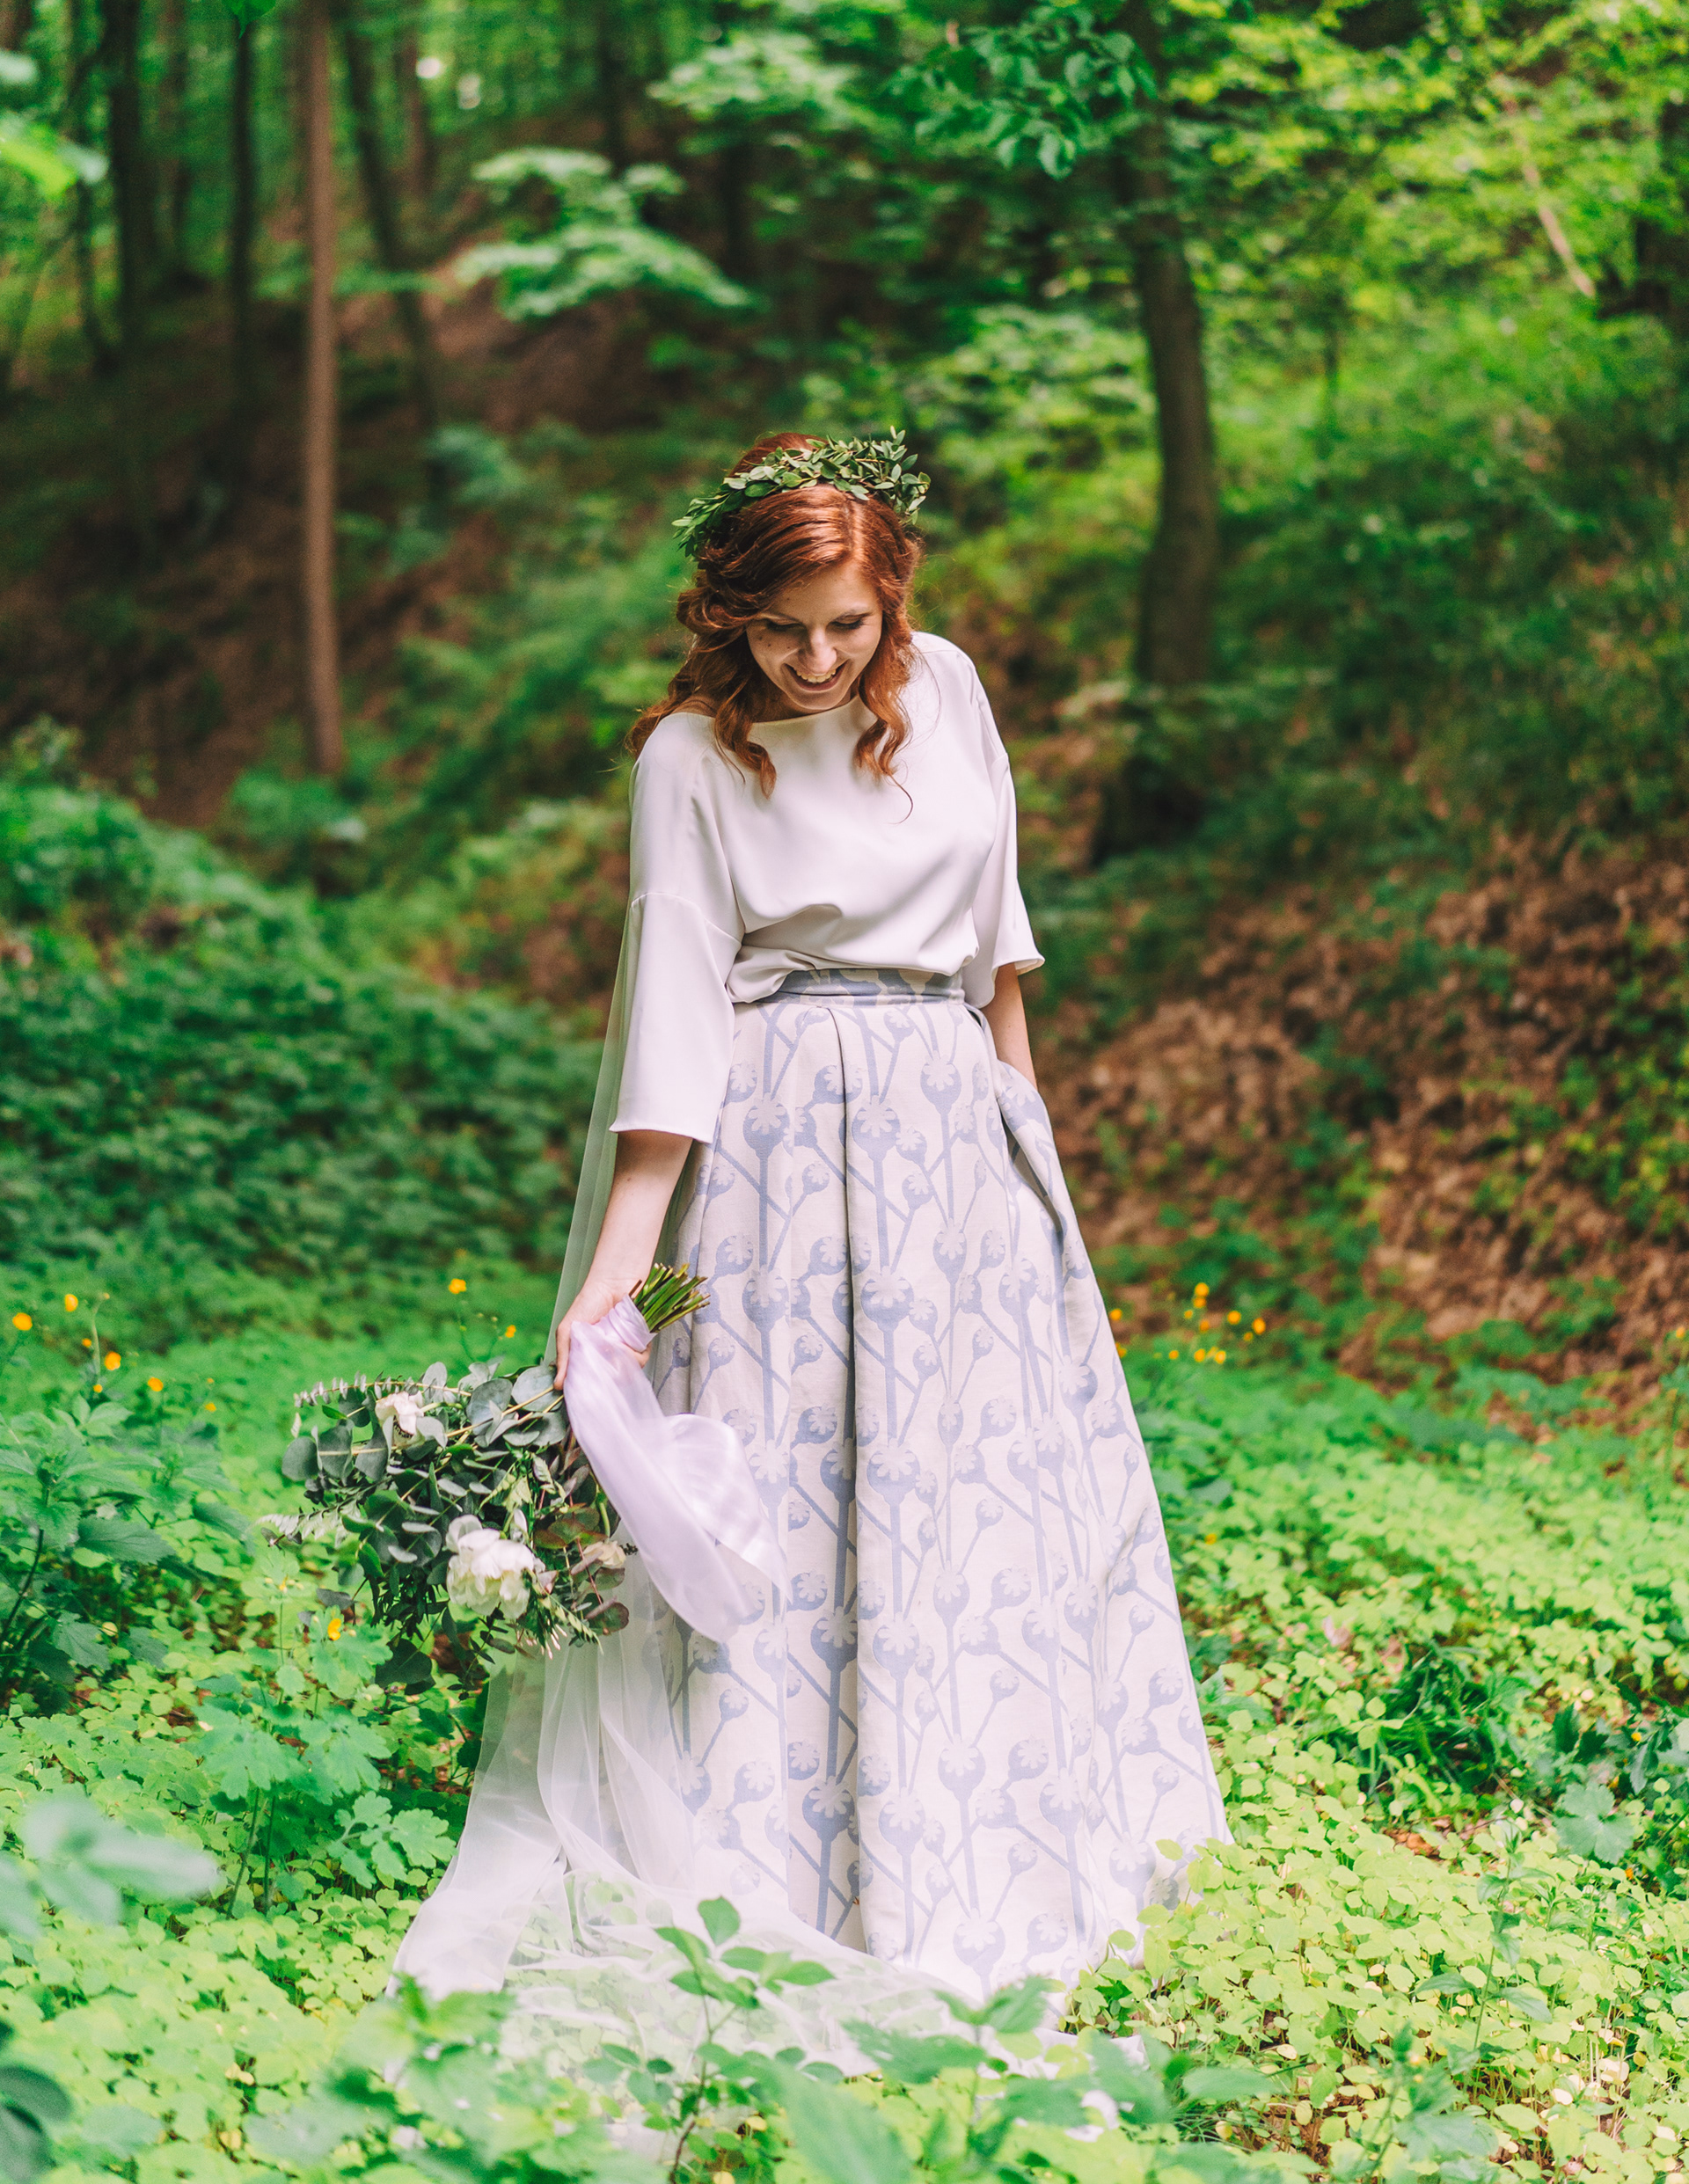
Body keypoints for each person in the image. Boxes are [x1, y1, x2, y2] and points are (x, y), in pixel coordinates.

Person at [395, 430, 1225, 2021]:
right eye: (784, 630)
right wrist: (619, 1273)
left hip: (952, 1137)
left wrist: (1028, 1138)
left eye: (849, 625)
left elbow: (997, 948)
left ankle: (976, 1845)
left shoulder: (951, 688)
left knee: (966, 1484)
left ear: (891, 596)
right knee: (798, 1487)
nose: (821, 659)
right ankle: (790, 1864)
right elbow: (675, 1005)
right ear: (730, 613)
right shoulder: (690, 759)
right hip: (781, 1142)